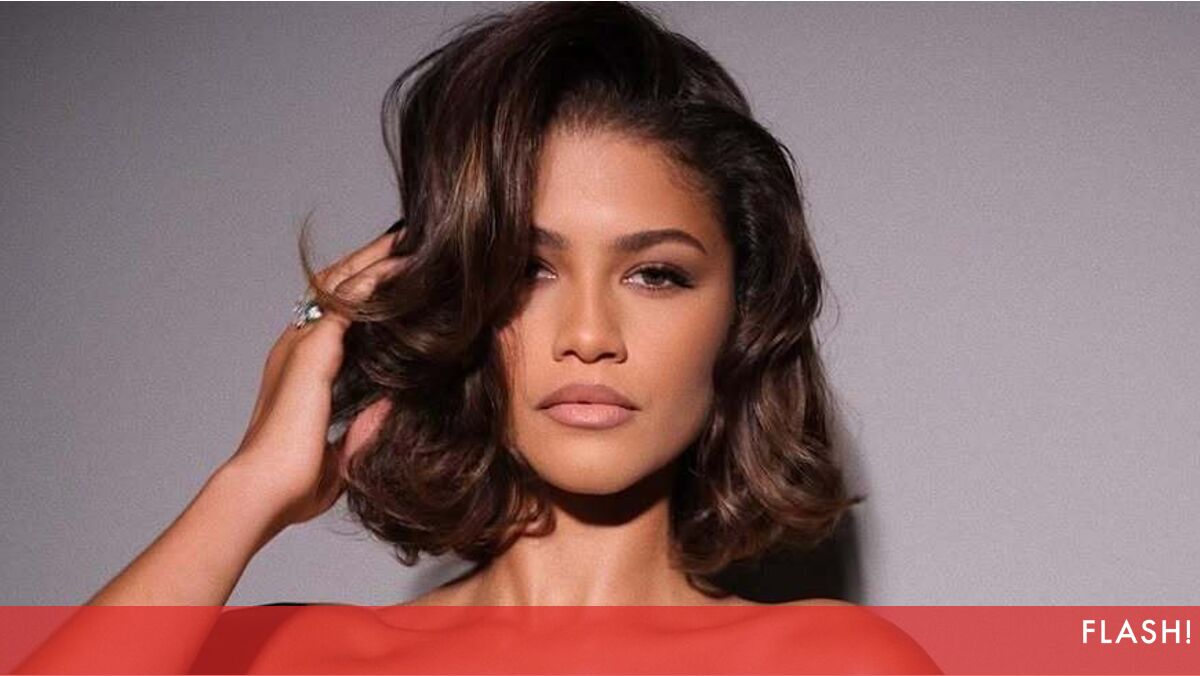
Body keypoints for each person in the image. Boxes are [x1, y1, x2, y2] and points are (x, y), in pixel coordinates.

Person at [15, 2, 940, 673]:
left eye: (655, 274)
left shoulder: (832, 662)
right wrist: (248, 488)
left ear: (739, 317)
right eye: (527, 269)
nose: (589, 335)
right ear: (456, 301)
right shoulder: (303, 655)